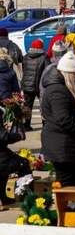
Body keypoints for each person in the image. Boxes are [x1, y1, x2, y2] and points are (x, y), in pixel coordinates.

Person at [40, 51, 75, 186]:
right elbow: (63, 118)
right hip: (64, 148)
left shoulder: (70, 87)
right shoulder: (57, 91)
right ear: (67, 73)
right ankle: (71, 207)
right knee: (68, 184)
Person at [0, 49, 29, 207]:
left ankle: (4, 197)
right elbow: (2, 137)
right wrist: (15, 136)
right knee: (22, 163)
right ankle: (25, 198)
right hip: (1, 154)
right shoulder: (10, 72)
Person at [21, 39, 49, 131]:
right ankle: (45, 124)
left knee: (27, 106)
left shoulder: (25, 57)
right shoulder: (44, 57)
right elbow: (47, 71)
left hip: (27, 85)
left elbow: (24, 70)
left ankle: (26, 125)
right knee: (43, 105)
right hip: (39, 86)